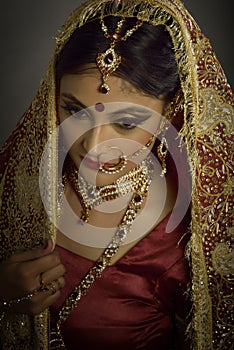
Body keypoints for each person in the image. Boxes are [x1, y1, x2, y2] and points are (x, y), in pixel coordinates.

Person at [0, 0, 233, 349]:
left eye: (125, 123)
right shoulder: (14, 181)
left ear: (171, 111)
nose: (92, 146)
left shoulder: (197, 234)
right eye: (73, 110)